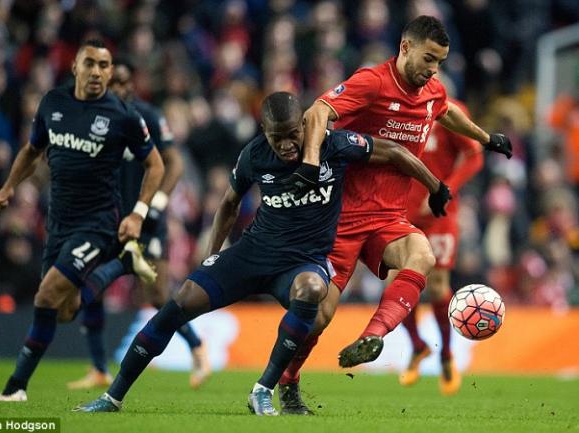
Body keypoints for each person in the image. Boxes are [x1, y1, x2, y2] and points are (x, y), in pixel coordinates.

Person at [73, 91, 449, 415]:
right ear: (264, 134)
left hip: (303, 261)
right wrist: (212, 253)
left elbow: (396, 151)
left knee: (312, 291)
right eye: (276, 138)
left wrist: (434, 186)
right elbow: (229, 204)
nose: (285, 145)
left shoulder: (334, 145)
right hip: (253, 253)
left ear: (304, 126)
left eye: (291, 135)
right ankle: (113, 395)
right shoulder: (254, 155)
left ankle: (263, 390)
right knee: (180, 301)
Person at [277, 15, 512, 414]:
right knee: (317, 319)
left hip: (387, 218)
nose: (433, 69)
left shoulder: (432, 91)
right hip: (340, 219)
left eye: (439, 62)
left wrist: (486, 138)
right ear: (405, 48)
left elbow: (448, 110)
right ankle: (285, 383)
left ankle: (373, 337)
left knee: (422, 256)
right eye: (429, 58)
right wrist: (312, 162)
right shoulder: (372, 82)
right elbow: (318, 111)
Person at [0, 40, 164, 402]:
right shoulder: (53, 103)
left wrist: (138, 212)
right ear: (75, 68)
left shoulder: (122, 115)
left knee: (47, 293)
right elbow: (32, 151)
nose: (99, 72)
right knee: (65, 309)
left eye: (105, 65)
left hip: (98, 223)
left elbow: (156, 164)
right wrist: (9, 186)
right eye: (91, 64)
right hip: (58, 223)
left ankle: (16, 386)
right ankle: (121, 265)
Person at [66, 59, 210, 391]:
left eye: (121, 82)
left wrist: (156, 206)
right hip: (108, 219)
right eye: (111, 82)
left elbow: (173, 163)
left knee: (158, 294)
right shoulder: (93, 120)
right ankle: (99, 367)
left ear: (130, 84)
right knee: (92, 286)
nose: (116, 88)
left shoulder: (148, 117)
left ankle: (196, 346)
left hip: (146, 218)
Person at [398, 98, 483, 396]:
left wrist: (444, 189)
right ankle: (418, 347)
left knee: (436, 286)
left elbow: (474, 156)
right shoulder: (394, 109)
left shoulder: (450, 110)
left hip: (438, 213)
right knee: (400, 286)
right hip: (401, 212)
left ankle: (447, 355)